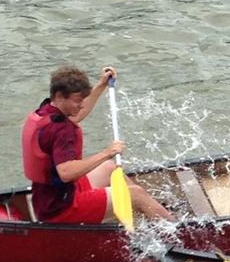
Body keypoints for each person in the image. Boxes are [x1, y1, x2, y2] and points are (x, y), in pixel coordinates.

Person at [22, 65, 173, 224]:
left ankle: (149, 215)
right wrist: (107, 152)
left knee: (109, 168)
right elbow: (65, 173)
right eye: (77, 101)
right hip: (62, 208)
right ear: (60, 95)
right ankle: (175, 230)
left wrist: (101, 85)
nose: (81, 106)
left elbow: (76, 114)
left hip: (46, 200)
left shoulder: (46, 111)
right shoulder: (62, 130)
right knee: (136, 194)